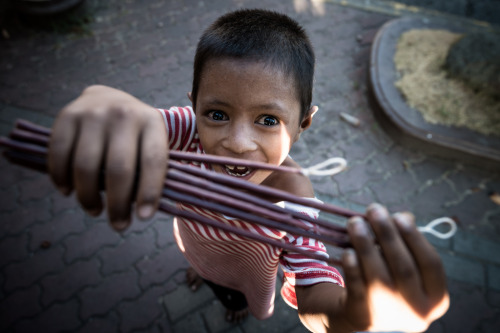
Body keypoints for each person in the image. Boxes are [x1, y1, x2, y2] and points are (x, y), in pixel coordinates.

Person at [47, 9, 449, 332]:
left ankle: (234, 303)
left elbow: (315, 286)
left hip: (248, 274)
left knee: (234, 295)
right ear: (195, 105)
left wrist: (350, 319)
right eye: (217, 113)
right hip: (194, 243)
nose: (237, 143)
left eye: (268, 120)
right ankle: (201, 273)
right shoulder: (187, 129)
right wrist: (104, 101)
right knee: (202, 268)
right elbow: (137, 119)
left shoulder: (293, 199)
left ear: (302, 124)